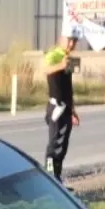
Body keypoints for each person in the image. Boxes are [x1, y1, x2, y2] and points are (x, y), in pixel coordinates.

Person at [43, 32, 81, 183]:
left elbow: (68, 87)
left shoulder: (70, 58)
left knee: (63, 145)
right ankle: (50, 177)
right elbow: (46, 69)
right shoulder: (54, 54)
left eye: (74, 41)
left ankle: (57, 177)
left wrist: (73, 110)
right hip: (56, 106)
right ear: (61, 40)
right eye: (69, 40)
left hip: (66, 107)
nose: (72, 44)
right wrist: (61, 65)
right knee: (54, 143)